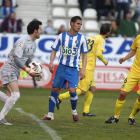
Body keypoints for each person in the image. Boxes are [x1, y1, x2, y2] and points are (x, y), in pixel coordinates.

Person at [41, 16, 89, 122]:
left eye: (81, 24)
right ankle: (50, 114)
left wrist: (83, 69)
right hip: (62, 67)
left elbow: (85, 55)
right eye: (78, 23)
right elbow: (54, 50)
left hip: (73, 68)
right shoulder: (61, 36)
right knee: (55, 89)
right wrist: (51, 63)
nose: (79, 26)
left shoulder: (82, 38)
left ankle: (74, 112)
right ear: (71, 23)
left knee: (72, 90)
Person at [56, 24, 110, 116]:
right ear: (108, 33)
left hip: (82, 64)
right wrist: (105, 61)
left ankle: (86, 111)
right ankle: (60, 97)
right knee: (83, 90)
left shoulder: (91, 38)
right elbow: (98, 53)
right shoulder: (101, 40)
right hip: (87, 67)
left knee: (92, 88)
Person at [0, 20, 42, 125]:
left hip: (15, 71)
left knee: (10, 100)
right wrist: (28, 70)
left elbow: (26, 59)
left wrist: (33, 68)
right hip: (9, 69)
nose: (41, 31)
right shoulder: (22, 41)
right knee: (16, 95)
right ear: (35, 30)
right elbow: (16, 59)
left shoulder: (34, 44)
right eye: (40, 29)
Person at [105, 34, 140, 125]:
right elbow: (134, 50)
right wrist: (125, 58)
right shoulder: (138, 37)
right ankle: (116, 116)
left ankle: (132, 117)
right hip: (134, 71)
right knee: (122, 93)